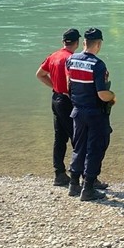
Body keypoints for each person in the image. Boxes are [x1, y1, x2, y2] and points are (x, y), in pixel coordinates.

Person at [67, 27, 114, 202]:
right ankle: (88, 188)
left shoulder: (71, 59)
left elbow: (69, 85)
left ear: (84, 42)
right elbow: (102, 94)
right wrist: (113, 96)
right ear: (99, 44)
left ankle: (73, 184)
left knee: (78, 147)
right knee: (94, 149)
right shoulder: (98, 64)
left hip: (77, 111)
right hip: (95, 113)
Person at [35, 27, 80, 187]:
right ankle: (81, 176)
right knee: (78, 138)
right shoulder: (73, 59)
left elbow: (39, 74)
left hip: (56, 99)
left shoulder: (53, 56)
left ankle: (59, 173)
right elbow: (74, 83)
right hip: (68, 101)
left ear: (63, 41)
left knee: (59, 137)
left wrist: (55, 86)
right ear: (77, 42)